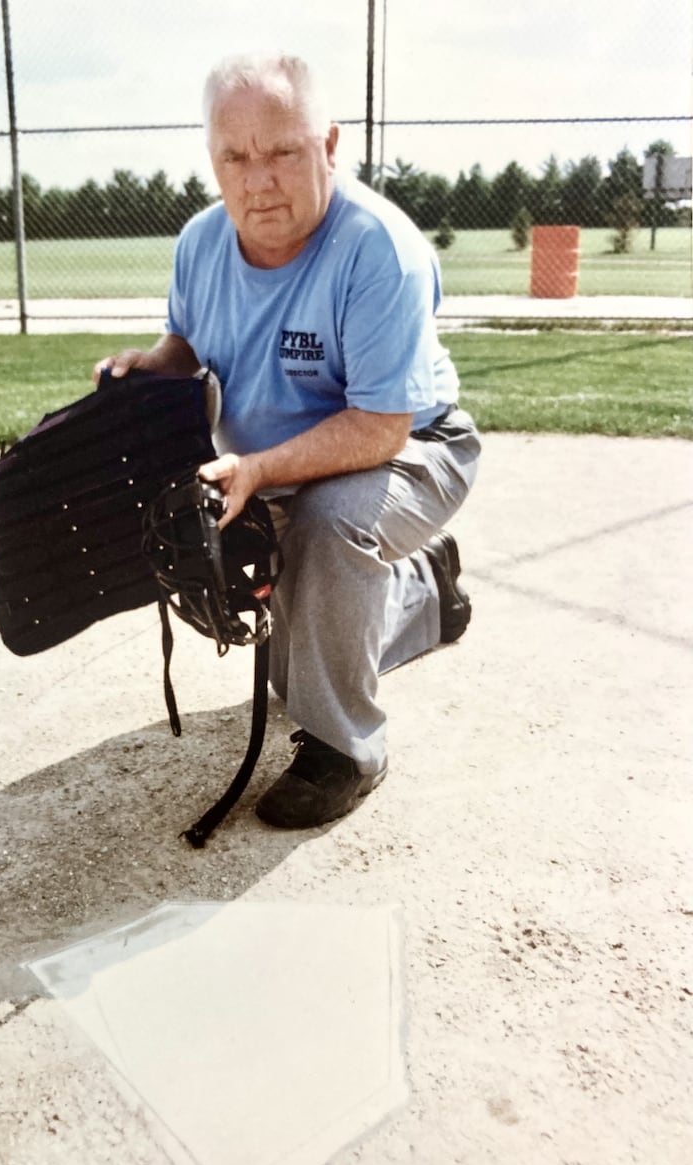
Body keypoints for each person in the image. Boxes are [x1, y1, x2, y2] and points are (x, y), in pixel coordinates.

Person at [94, 52, 481, 830]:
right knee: (290, 656)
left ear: (330, 145)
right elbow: (189, 346)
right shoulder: (201, 243)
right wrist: (152, 364)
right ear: (213, 160)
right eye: (235, 156)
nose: (258, 178)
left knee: (328, 525)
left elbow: (381, 426)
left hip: (416, 447)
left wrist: (261, 468)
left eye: (282, 151)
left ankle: (348, 750)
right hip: (275, 465)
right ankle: (420, 592)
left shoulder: (380, 250)